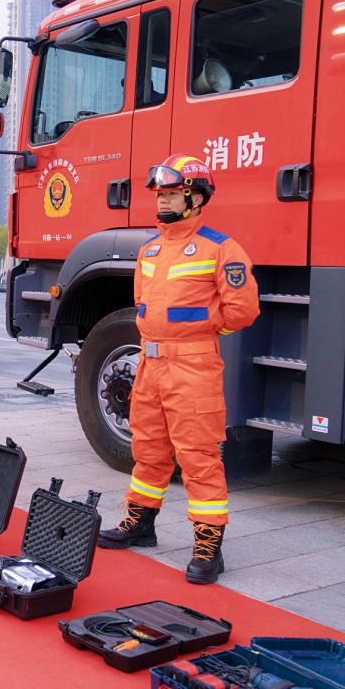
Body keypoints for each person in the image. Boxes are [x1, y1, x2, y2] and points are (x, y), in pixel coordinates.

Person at [97, 154, 260, 585]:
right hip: (150, 361)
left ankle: (208, 544)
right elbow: (144, 306)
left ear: (195, 197)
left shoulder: (221, 248)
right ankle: (140, 522)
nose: (162, 201)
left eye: (171, 193)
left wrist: (200, 333)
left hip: (192, 365)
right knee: (147, 447)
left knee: (198, 455)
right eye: (161, 194)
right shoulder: (150, 249)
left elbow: (242, 310)